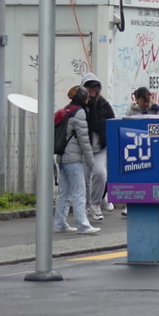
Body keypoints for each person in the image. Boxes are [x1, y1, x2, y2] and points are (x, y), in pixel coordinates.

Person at [54, 86, 99, 234]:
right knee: (79, 191)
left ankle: (60, 223)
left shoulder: (66, 109)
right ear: (83, 98)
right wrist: (90, 160)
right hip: (74, 158)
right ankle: (83, 225)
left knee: (64, 193)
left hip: (62, 156)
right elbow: (83, 139)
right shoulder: (79, 112)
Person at [81, 72, 115, 220]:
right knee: (84, 179)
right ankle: (86, 207)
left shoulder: (103, 105)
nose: (92, 90)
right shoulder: (80, 106)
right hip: (83, 148)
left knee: (100, 174)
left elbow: (112, 123)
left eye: (95, 87)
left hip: (100, 147)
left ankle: (95, 204)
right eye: (89, 87)